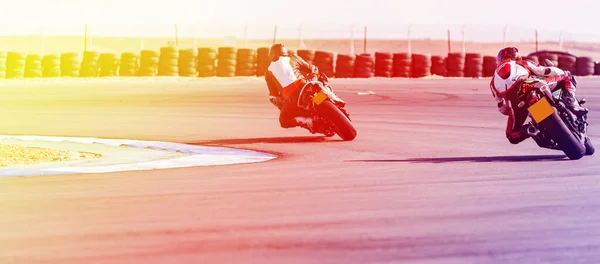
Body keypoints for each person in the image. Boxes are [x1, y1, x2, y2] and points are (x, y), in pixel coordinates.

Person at [489, 46, 588, 144]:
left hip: (518, 105)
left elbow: (501, 108)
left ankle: (532, 129)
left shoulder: (492, 83)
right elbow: (545, 71)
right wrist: (561, 72)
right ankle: (573, 105)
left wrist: (512, 112)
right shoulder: (523, 63)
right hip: (532, 86)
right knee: (567, 77)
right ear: (516, 56)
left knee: (512, 135)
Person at [264, 43, 344, 133]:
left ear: (272, 54)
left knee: (284, 121)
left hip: (292, 99)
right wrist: (317, 75)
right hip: (305, 87)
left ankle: (307, 121)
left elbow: (273, 96)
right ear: (285, 52)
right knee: (318, 80)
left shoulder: (268, 72)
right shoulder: (293, 57)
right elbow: (312, 69)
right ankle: (331, 95)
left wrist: (281, 106)